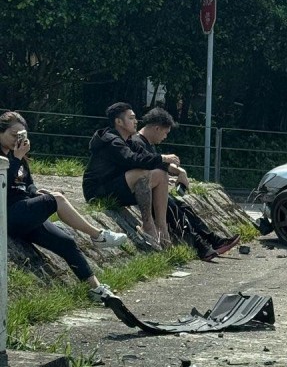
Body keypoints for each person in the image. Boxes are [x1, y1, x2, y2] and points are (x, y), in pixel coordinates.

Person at [0, 111, 127, 303]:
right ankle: (98, 235)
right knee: (56, 199)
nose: (17, 139)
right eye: (13, 134)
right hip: (7, 214)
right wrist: (16, 158)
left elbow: (27, 184)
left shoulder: (18, 155)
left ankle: (96, 289)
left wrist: (36, 191)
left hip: (24, 211)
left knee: (66, 241)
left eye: (22, 135)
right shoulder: (8, 157)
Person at [133, 108, 240, 261]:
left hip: (154, 190)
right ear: (156, 128)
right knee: (175, 210)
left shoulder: (146, 143)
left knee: (183, 208)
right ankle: (200, 246)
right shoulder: (137, 143)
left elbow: (157, 164)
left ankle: (212, 240)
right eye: (165, 133)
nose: (165, 137)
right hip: (144, 193)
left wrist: (179, 172)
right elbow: (149, 166)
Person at [82, 102, 176, 248]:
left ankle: (162, 229)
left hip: (116, 187)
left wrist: (175, 169)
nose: (136, 121)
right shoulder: (111, 141)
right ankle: (148, 226)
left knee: (161, 175)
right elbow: (132, 160)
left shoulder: (129, 141)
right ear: (119, 122)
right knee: (142, 174)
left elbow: (148, 158)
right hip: (98, 192)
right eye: (131, 118)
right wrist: (162, 158)